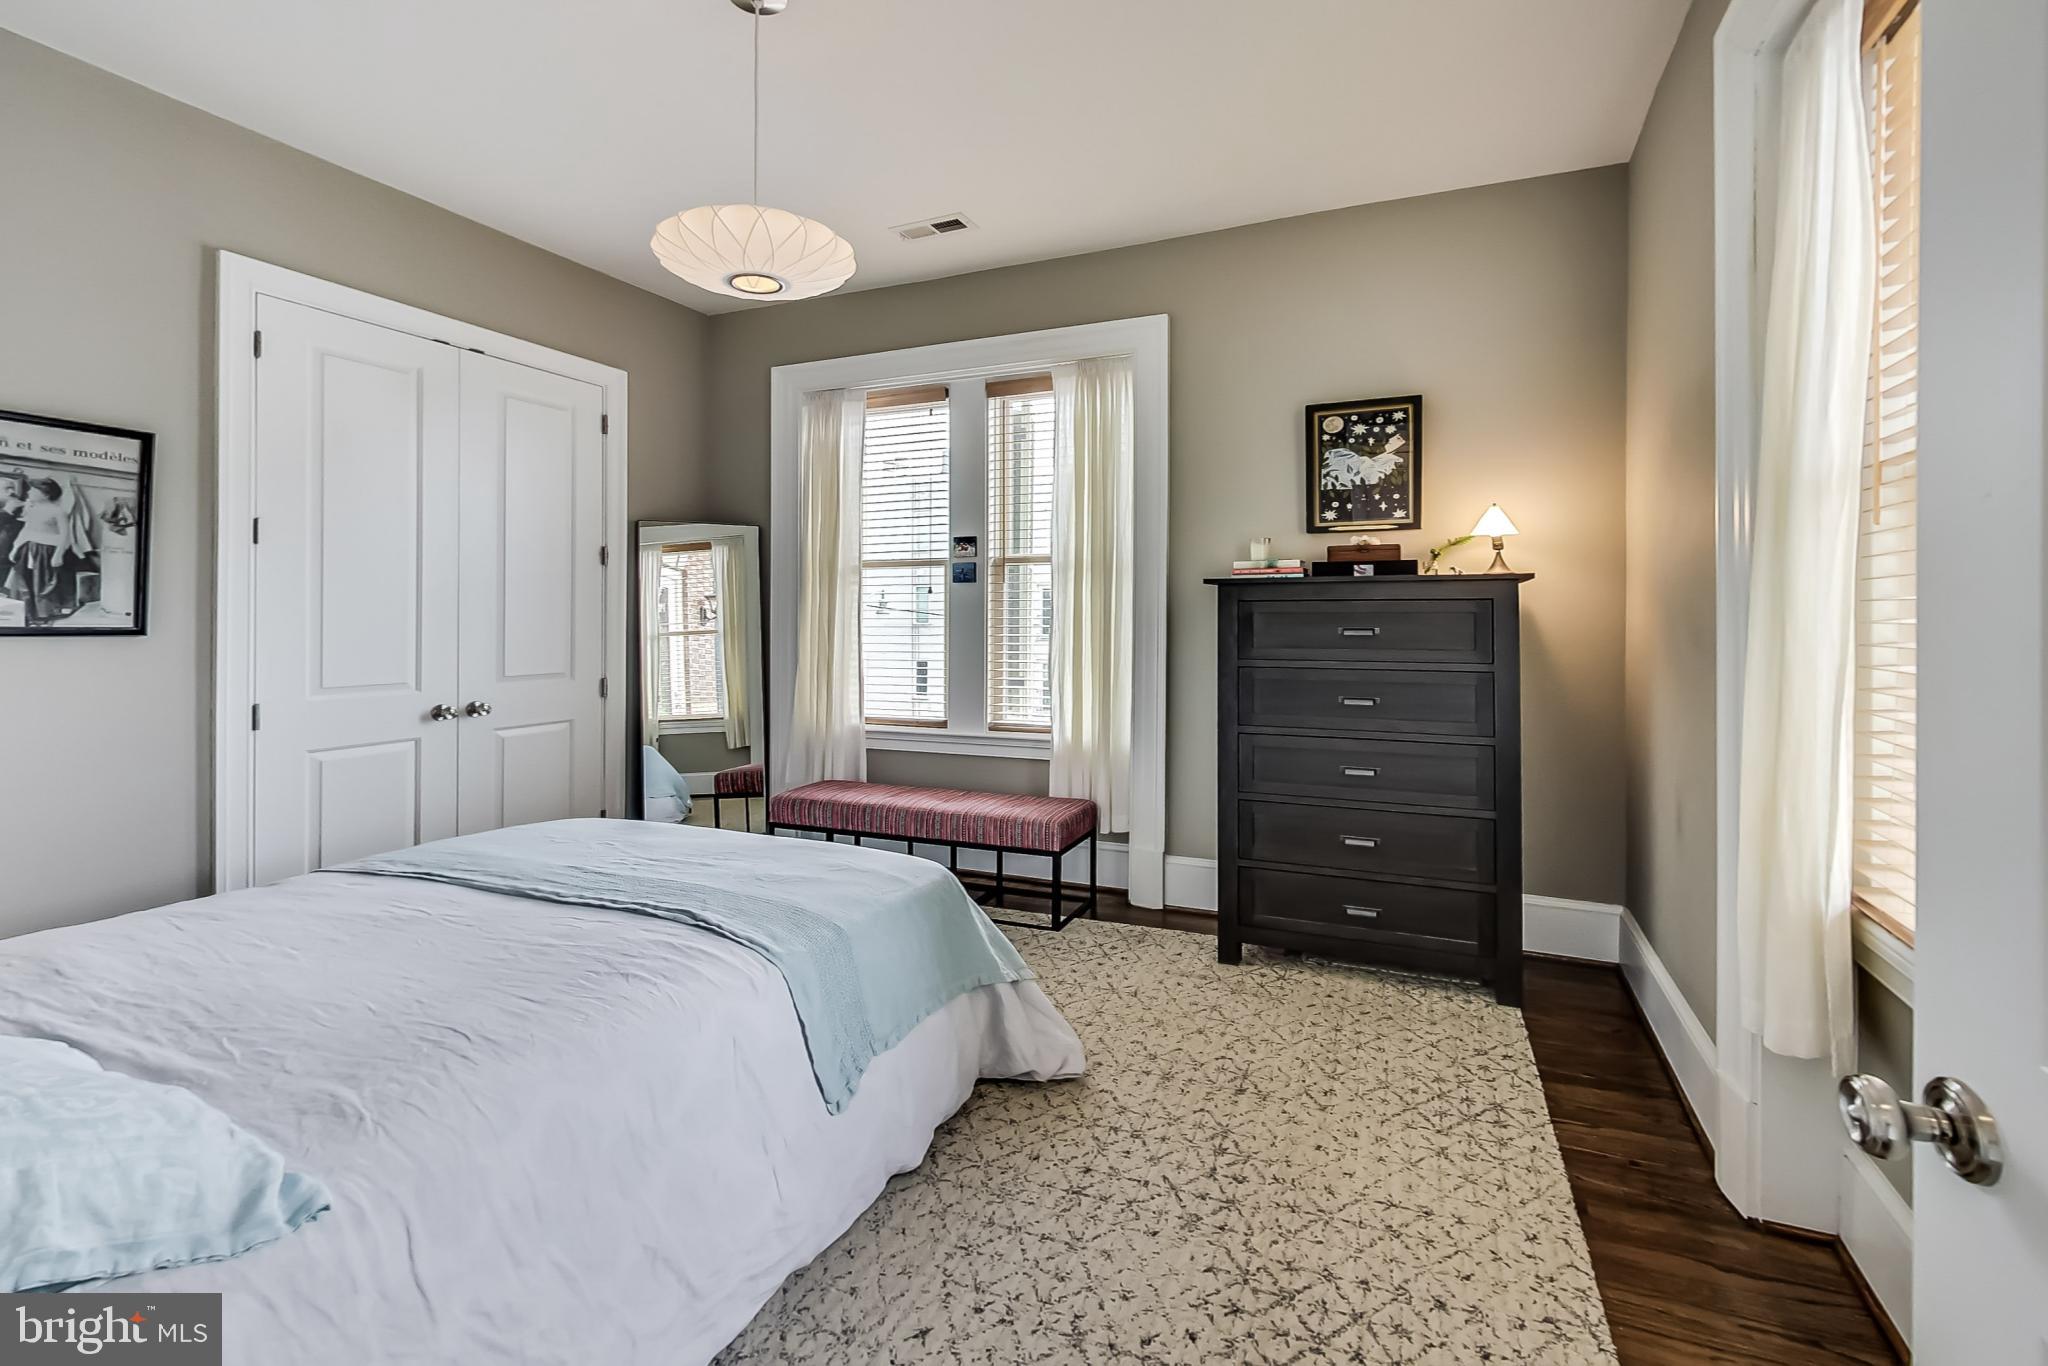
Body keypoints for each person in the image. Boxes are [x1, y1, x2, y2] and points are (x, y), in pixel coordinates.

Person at [6, 478, 79, 625]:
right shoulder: (31, 510)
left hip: (48, 552)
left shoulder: (58, 511)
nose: (29, 492)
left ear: (46, 494)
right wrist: (15, 548)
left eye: (33, 490)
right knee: (26, 580)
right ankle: (28, 612)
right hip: (29, 549)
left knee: (44, 582)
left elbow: (65, 535)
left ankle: (45, 615)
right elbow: (26, 530)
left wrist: (59, 554)